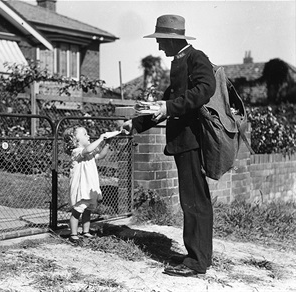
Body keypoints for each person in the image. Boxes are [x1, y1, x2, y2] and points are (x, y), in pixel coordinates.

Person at [122, 15, 216, 276]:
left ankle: (197, 261)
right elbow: (164, 105)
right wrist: (136, 125)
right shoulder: (181, 61)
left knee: (194, 201)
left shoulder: (196, 58)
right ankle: (200, 257)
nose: (159, 47)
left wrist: (169, 106)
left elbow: (206, 88)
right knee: (194, 201)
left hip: (191, 140)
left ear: (173, 39)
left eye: (161, 40)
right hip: (184, 140)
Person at [63, 126, 111, 243]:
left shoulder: (89, 153)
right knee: (77, 211)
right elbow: (87, 149)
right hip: (81, 188)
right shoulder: (77, 152)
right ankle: (73, 234)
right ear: (75, 140)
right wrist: (100, 139)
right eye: (85, 134)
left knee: (88, 210)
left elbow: (101, 156)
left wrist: (107, 143)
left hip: (89, 187)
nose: (88, 136)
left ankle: (86, 231)